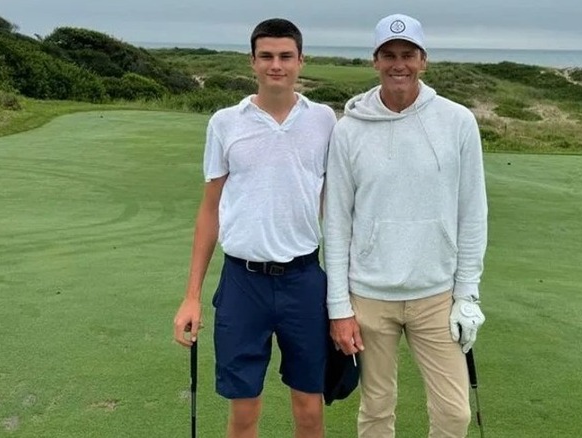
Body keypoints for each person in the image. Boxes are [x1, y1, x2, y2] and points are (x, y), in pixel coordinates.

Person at [323, 13, 488, 438]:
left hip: (436, 294)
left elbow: (472, 212)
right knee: (376, 411)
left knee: (454, 415)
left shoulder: (457, 122)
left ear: (423, 61)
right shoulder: (349, 129)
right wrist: (339, 307)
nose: (399, 64)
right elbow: (337, 221)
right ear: (375, 62)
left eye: (408, 55)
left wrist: (468, 294)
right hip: (369, 297)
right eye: (389, 55)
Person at [172, 18, 337, 438]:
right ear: (253, 62)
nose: (275, 65)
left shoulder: (324, 121)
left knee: (309, 410)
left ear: (301, 61)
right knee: (244, 413)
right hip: (242, 282)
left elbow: (335, 208)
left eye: (285, 56)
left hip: (304, 279)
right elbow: (210, 210)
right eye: (266, 56)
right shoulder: (226, 122)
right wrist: (191, 296)